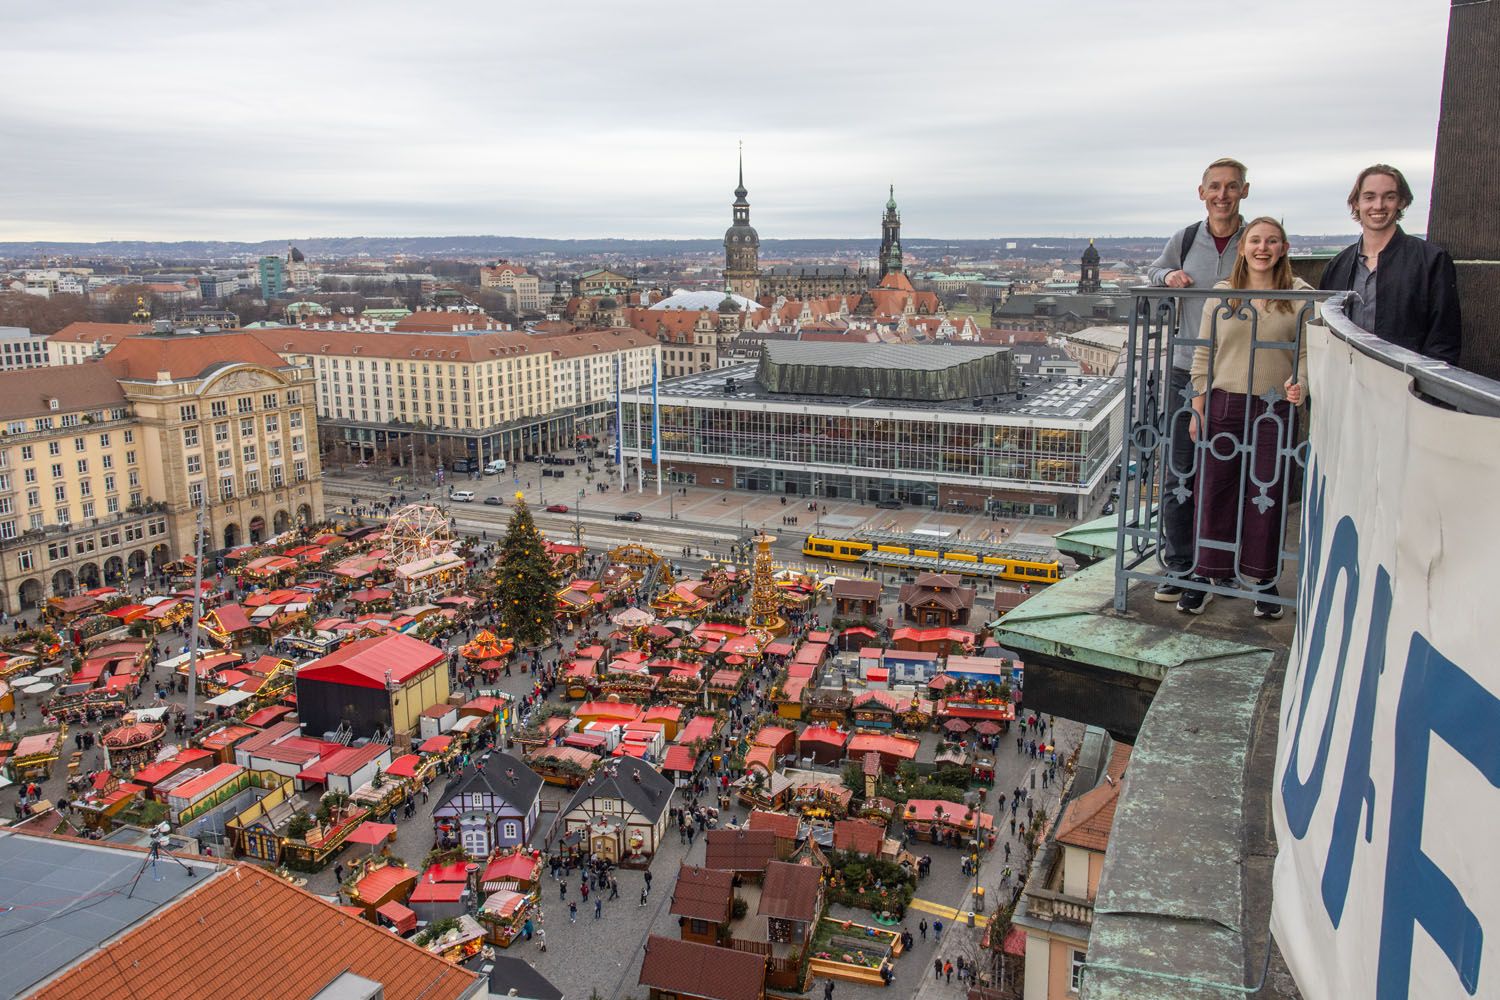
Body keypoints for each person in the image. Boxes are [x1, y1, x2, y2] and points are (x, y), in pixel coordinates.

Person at [1181, 217, 1309, 618]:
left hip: (1274, 404)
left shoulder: (1301, 295)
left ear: (1283, 248)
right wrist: (1198, 402)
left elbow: (1307, 352)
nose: (1263, 248)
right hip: (1225, 400)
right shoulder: (1223, 295)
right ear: (1243, 247)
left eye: (1272, 241)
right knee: (1214, 490)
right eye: (1255, 240)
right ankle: (1207, 573)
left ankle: (1263, 578)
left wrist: (1300, 382)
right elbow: (1205, 350)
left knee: (1265, 493)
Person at [1147, 157, 1252, 602]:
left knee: (1233, 473)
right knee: (1180, 470)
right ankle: (1180, 563)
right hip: (1186, 368)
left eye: (1231, 187)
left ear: (1244, 191)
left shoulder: (1256, 238)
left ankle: (1223, 565)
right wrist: (1169, 274)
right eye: (1215, 187)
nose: (1222, 195)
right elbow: (1153, 274)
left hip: (1240, 373)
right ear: (1202, 192)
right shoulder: (1186, 238)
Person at [1319, 163, 1460, 363]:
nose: (1378, 205)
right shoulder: (1337, 266)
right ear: (1356, 203)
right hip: (1346, 382)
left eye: (1389, 196)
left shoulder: (1432, 261)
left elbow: (1444, 339)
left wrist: (1422, 388)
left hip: (1406, 384)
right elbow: (1323, 332)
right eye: (1369, 197)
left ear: (1402, 202)